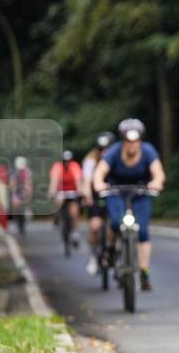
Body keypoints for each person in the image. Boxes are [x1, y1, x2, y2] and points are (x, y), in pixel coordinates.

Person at [92, 119, 165, 291]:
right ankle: (110, 249)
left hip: (140, 193)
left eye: (136, 140)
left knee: (143, 231)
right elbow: (100, 172)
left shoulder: (148, 151)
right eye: (128, 141)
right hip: (116, 191)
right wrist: (99, 184)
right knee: (116, 222)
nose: (132, 145)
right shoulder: (113, 152)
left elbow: (158, 173)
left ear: (140, 140)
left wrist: (156, 182)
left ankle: (144, 272)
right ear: (123, 140)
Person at [82, 132, 116, 275]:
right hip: (96, 196)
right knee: (95, 226)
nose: (104, 152)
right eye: (102, 149)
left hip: (114, 195)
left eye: (107, 148)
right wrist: (88, 196)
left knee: (113, 227)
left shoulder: (117, 158)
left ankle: (112, 251)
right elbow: (86, 181)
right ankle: (93, 256)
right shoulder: (90, 161)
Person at [48, 150, 83, 248]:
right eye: (64, 161)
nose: (66, 163)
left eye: (68, 161)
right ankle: (57, 216)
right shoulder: (57, 167)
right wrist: (51, 191)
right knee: (58, 201)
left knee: (74, 212)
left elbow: (78, 180)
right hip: (62, 192)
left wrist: (80, 191)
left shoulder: (74, 166)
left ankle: (75, 232)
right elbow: (54, 181)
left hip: (73, 192)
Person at [8, 157, 33, 233]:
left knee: (27, 201)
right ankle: (16, 220)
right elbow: (12, 184)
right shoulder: (13, 172)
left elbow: (29, 183)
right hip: (16, 190)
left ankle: (27, 212)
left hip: (24, 189)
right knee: (15, 205)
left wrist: (28, 193)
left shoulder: (28, 171)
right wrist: (13, 190)